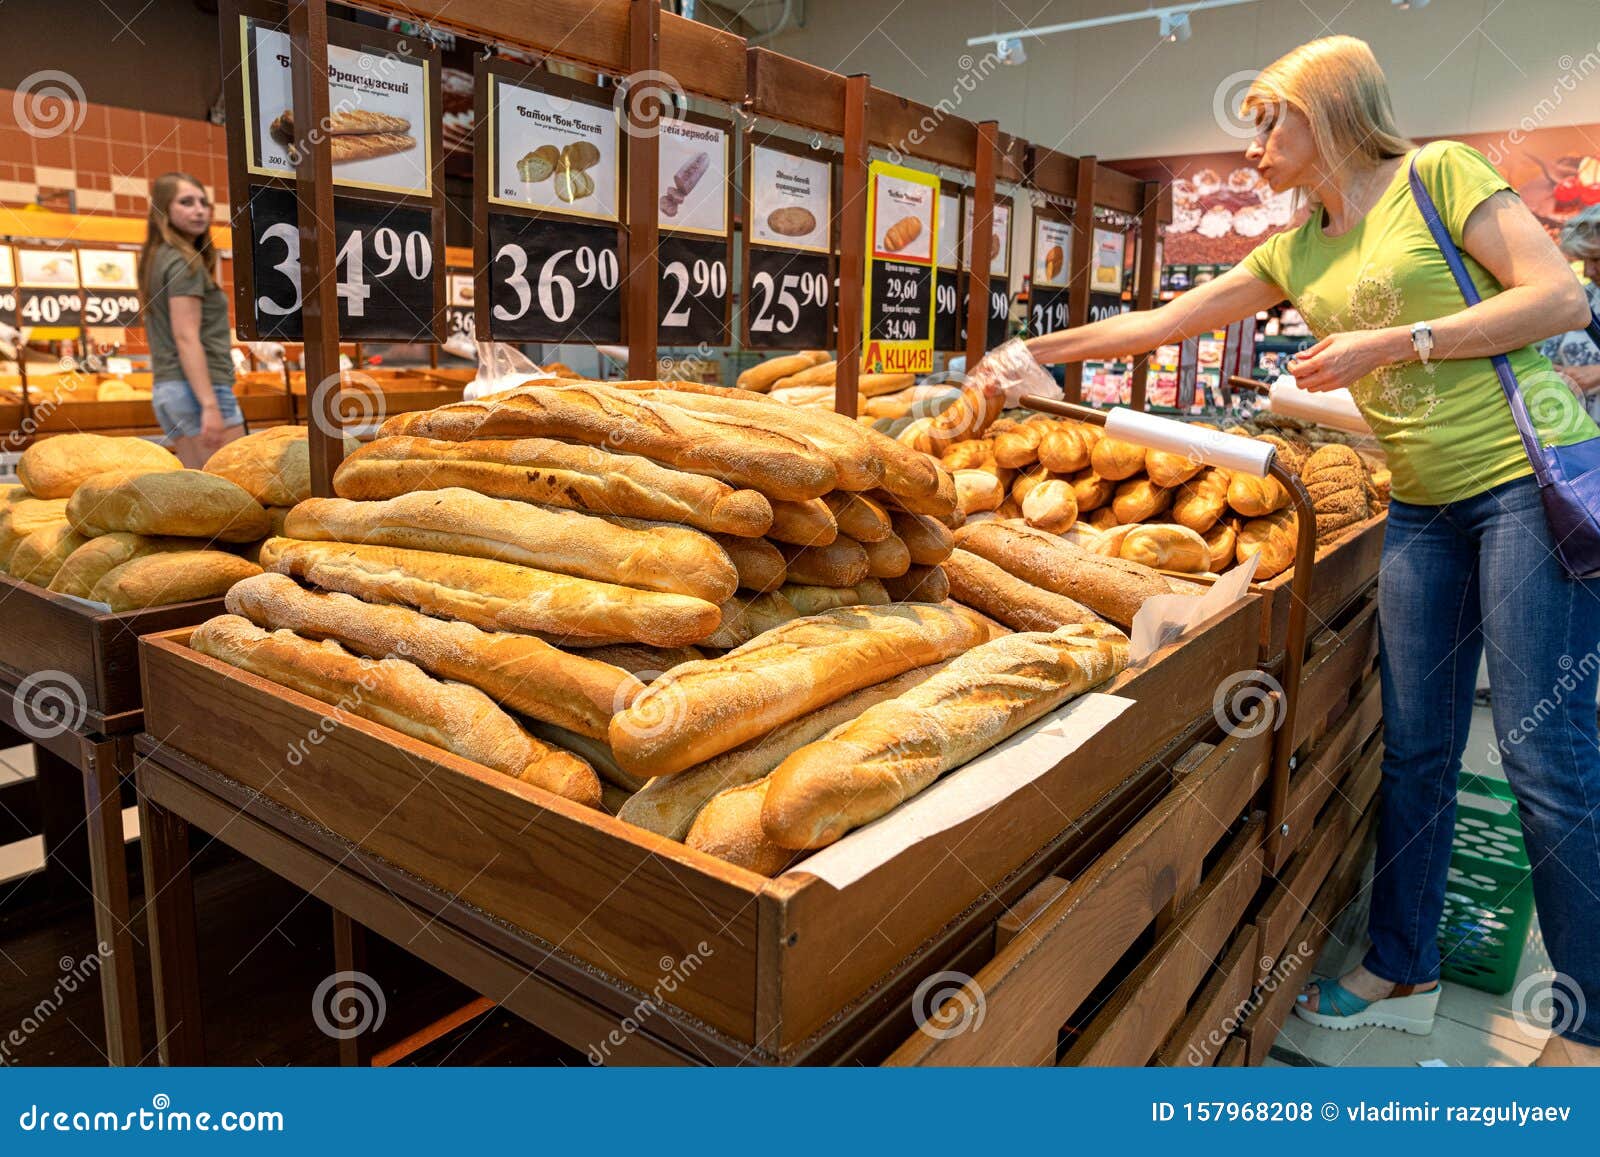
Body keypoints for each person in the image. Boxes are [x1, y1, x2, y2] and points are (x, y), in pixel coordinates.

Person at [969, 35, 1600, 1065]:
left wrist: (1392, 344)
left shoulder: (1437, 174)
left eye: (1268, 121)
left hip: (1525, 486)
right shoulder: (1292, 249)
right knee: (1418, 740)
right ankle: (1402, 961)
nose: (1254, 145)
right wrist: (1028, 352)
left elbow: (1558, 298)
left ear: (1328, 108)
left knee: (1544, 755)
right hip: (1424, 505)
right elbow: (1162, 321)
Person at [138, 172, 244, 466]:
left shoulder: (156, 258)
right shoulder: (185, 263)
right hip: (200, 390)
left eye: (203, 202)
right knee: (233, 491)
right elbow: (186, 337)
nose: (199, 210)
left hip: (167, 391)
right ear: (164, 210)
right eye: (186, 202)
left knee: (198, 494)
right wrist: (209, 404)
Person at [1540, 204, 1600, 422]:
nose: (1588, 271)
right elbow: (1546, 359)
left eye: (1596, 259)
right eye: (1584, 260)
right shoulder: (1584, 299)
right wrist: (1554, 373)